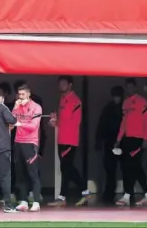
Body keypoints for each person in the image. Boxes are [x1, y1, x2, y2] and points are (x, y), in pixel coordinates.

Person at [48, 76, 91, 207]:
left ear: (70, 85)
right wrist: (55, 122)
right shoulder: (62, 99)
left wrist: (60, 124)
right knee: (65, 168)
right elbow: (62, 120)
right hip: (61, 138)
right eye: (59, 83)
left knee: (67, 168)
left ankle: (75, 193)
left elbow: (75, 122)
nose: (61, 86)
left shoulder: (75, 100)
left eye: (63, 83)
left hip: (70, 139)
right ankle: (74, 194)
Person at [114, 78, 147, 207]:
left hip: (138, 139)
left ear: (135, 88)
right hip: (127, 139)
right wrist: (118, 140)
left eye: (131, 87)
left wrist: (146, 138)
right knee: (131, 167)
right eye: (127, 87)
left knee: (134, 166)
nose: (129, 89)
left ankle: (128, 195)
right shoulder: (125, 103)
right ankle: (146, 195)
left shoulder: (143, 102)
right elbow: (123, 123)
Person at [13, 80, 46, 202]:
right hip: (18, 142)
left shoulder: (36, 107)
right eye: (19, 94)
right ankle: (23, 201)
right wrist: (16, 108)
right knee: (20, 174)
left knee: (33, 174)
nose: (20, 97)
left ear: (28, 94)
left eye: (22, 94)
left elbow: (33, 126)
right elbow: (12, 121)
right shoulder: (18, 106)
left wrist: (19, 123)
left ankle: (36, 202)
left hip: (31, 143)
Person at [95, 86, 124, 204]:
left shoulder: (120, 108)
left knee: (125, 168)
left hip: (121, 141)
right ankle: (110, 192)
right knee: (110, 169)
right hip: (111, 141)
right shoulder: (109, 108)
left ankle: (123, 192)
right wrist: (98, 140)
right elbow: (101, 125)